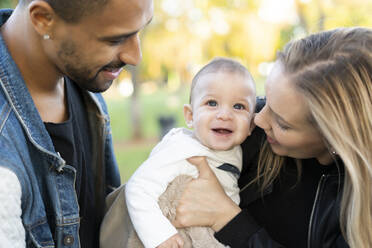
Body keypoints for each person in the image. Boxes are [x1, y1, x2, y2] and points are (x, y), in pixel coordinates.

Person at [173, 27, 372, 248]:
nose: (258, 119)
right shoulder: (247, 132)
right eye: (266, 99)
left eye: (282, 123)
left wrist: (229, 221)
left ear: (337, 139)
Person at [0, 0, 153, 247]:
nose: (135, 56)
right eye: (114, 40)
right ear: (42, 19)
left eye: (140, 30)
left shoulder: (84, 86)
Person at [100, 57, 256, 248]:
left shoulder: (237, 150)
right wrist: (160, 236)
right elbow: (138, 187)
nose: (224, 115)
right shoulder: (183, 150)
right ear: (190, 116)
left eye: (238, 106)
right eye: (212, 103)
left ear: (251, 125)